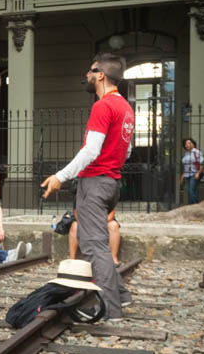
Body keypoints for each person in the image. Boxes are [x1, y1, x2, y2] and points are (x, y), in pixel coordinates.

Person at [41, 52, 135, 322]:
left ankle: (110, 310)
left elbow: (91, 150)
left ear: (101, 74)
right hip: (111, 182)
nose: (87, 74)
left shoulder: (103, 106)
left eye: (91, 70)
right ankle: (122, 295)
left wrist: (61, 176)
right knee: (92, 241)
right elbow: (126, 151)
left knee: (94, 246)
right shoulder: (126, 108)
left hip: (95, 182)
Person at [180, 137, 204, 205]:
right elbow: (187, 165)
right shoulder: (186, 153)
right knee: (190, 192)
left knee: (191, 191)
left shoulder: (196, 152)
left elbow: (202, 163)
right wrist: (183, 175)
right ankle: (190, 208)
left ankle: (198, 206)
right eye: (186, 143)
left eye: (189, 143)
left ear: (193, 144)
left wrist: (198, 173)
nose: (187, 145)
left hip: (194, 174)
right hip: (187, 175)